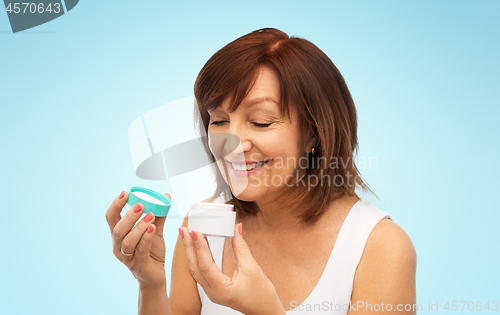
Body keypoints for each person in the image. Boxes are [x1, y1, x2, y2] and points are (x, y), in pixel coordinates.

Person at [105, 28, 417, 315]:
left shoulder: (379, 247)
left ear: (314, 134)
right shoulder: (204, 228)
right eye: (219, 120)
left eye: (261, 122)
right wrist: (151, 283)